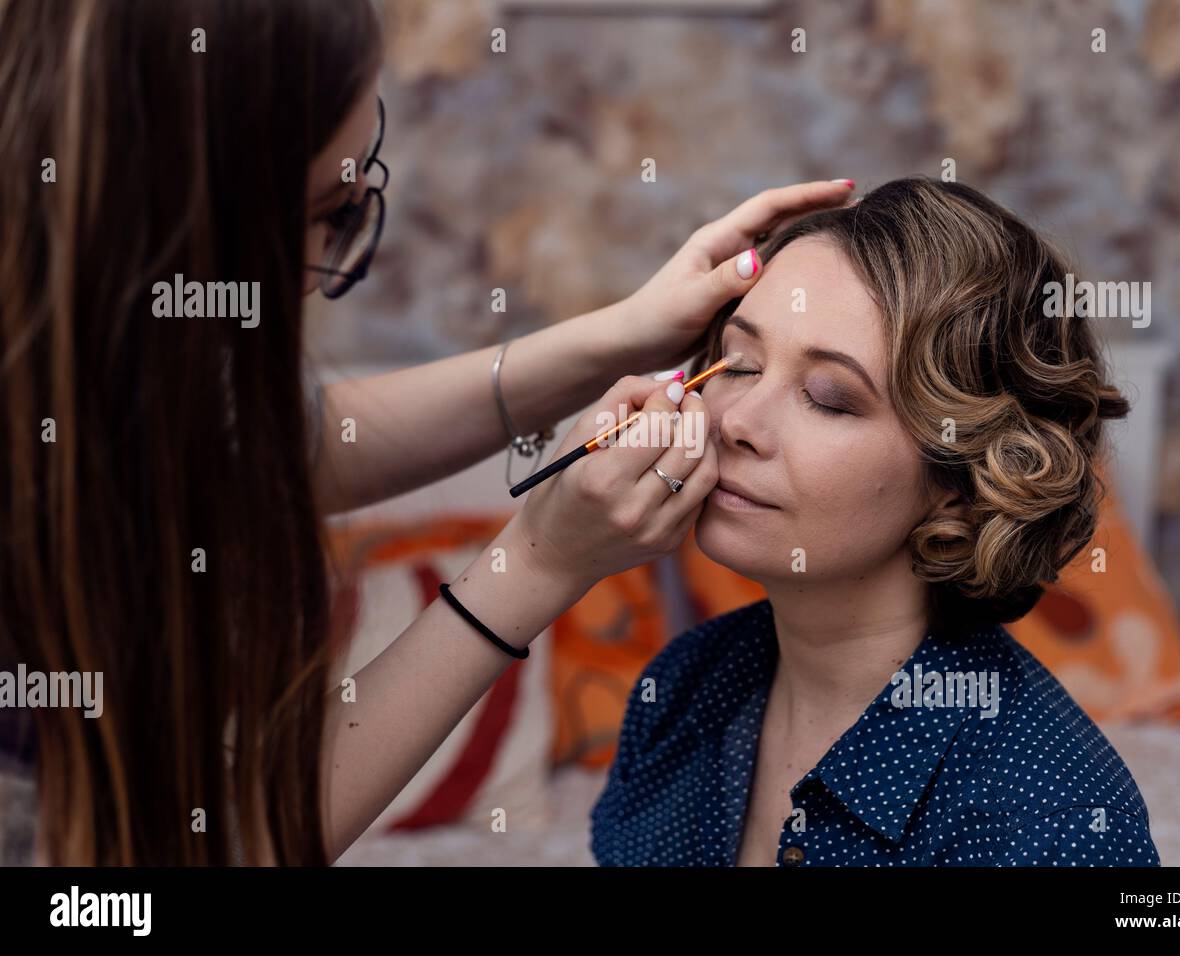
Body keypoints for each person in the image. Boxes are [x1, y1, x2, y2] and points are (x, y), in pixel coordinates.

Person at [0, 0, 856, 865]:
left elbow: (263, 453)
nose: (734, 419)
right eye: (328, 210)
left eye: (827, 393)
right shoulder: (684, 709)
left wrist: (622, 331)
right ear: (169, 239)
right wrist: (539, 563)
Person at [590, 177, 1162, 866]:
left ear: (960, 481)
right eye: (739, 364)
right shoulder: (682, 689)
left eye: (829, 399)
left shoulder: (1051, 819)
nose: (735, 422)